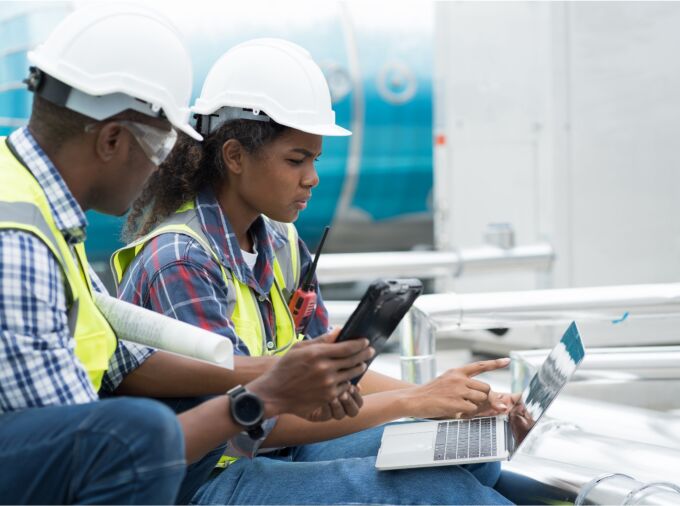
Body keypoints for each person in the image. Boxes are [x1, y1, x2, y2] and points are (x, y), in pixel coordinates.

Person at [115, 38, 513, 504]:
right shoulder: (181, 262)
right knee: (434, 487)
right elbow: (249, 420)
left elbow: (330, 374)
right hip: (209, 480)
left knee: (467, 451)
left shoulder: (282, 243)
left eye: (314, 159)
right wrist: (414, 402)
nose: (312, 178)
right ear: (235, 157)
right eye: (295, 160)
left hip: (278, 451)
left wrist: (446, 399)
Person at [0, 8, 373, 505]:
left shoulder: (38, 210)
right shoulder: (18, 243)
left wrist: (278, 373)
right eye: (160, 144)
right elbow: (93, 453)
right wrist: (270, 393)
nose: (162, 165)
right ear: (112, 139)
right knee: (141, 425)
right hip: (211, 472)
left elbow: (120, 362)